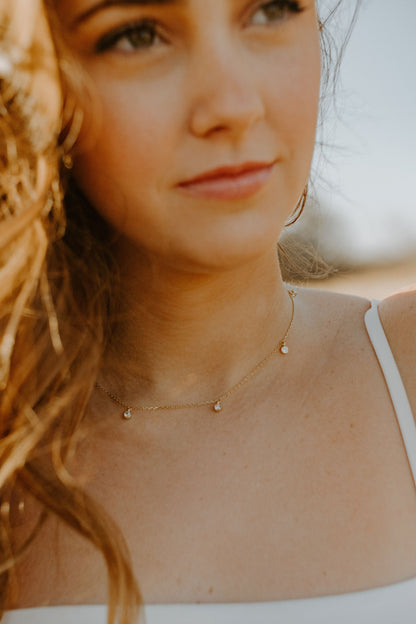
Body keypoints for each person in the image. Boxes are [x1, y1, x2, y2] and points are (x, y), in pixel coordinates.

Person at [1, 1, 416, 623]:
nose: (233, 104)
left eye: (270, 9)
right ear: (36, 84)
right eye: (137, 35)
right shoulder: (14, 444)